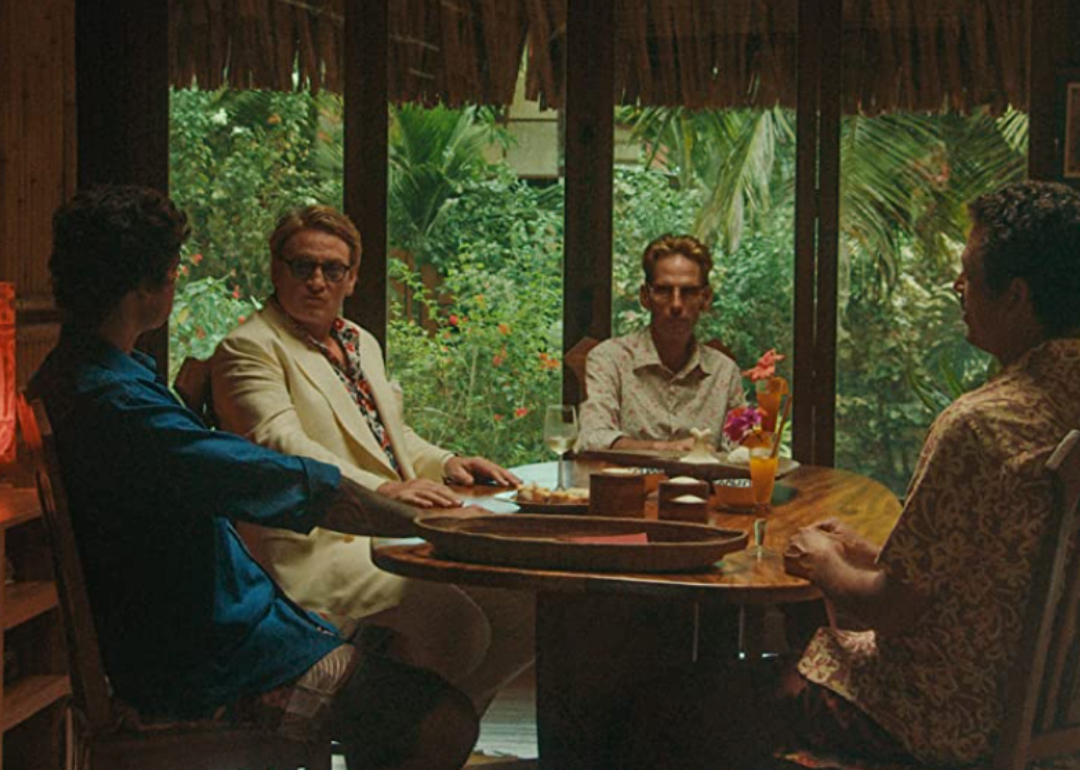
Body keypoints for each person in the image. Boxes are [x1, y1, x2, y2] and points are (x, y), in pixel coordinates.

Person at [617, 181, 1080, 770]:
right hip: (1050, 713)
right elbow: (995, 562)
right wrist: (871, 550)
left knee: (666, 706)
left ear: (1016, 296)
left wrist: (825, 562)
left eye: (967, 272)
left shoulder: (982, 425)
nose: (956, 287)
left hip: (937, 719)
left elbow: (893, 609)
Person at [31, 185, 479, 770]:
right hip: (207, 662)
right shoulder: (117, 402)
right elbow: (268, 469)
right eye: (170, 272)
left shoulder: (83, 375)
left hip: (211, 627)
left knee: (418, 659)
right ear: (148, 287)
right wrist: (434, 524)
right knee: (443, 720)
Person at [211, 205, 534, 712]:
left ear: (352, 278)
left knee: (524, 611)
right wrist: (383, 489)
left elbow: (388, 435)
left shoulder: (358, 340)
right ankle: (411, 738)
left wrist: (446, 462)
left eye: (332, 269)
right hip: (313, 546)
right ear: (276, 270)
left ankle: (434, 737)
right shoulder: (249, 347)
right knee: (459, 624)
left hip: (386, 532)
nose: (317, 281)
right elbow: (281, 445)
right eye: (302, 266)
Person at [575, 234, 745, 453]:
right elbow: (593, 437)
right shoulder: (610, 359)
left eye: (688, 292)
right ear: (645, 297)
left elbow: (742, 453)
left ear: (706, 298)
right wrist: (664, 448)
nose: (676, 304)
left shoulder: (724, 372)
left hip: (704, 487)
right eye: (664, 291)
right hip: (628, 485)